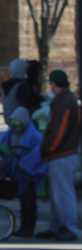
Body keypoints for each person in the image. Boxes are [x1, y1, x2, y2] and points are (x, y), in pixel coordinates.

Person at [37, 70, 80, 241]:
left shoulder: (64, 102)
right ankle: (57, 226)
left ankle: (68, 227)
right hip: (61, 154)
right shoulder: (66, 99)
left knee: (63, 194)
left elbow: (59, 132)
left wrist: (48, 148)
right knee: (57, 195)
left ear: (54, 84)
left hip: (62, 154)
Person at [0, 107, 47, 237]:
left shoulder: (36, 136)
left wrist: (25, 164)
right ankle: (23, 227)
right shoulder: (11, 133)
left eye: (19, 126)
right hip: (18, 175)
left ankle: (29, 228)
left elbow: (38, 155)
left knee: (29, 201)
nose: (16, 129)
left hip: (29, 175)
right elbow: (2, 146)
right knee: (23, 201)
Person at [1, 58, 31, 124]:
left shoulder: (9, 85)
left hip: (10, 119)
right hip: (19, 122)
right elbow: (26, 104)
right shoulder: (20, 87)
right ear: (22, 69)